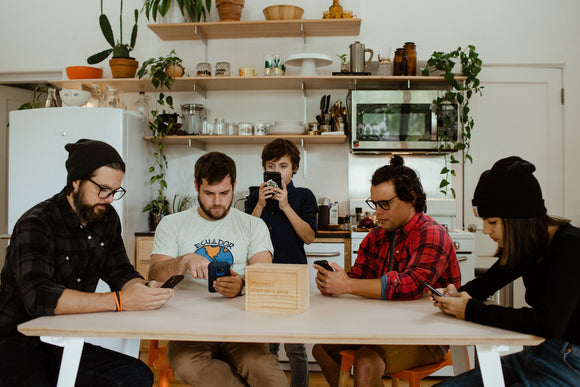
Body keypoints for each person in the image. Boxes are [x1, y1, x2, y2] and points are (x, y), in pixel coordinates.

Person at [0, 139, 174, 387]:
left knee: (136, 377)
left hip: (63, 339)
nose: (110, 199)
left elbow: (120, 270)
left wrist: (141, 288)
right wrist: (121, 301)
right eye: (103, 189)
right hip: (15, 341)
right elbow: (39, 298)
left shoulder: (106, 217)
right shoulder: (36, 223)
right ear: (76, 181)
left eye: (115, 191)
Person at [312, 155, 462, 387]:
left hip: (429, 334)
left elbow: (411, 286)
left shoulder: (432, 233)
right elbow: (358, 279)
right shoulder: (375, 237)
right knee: (321, 349)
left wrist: (348, 285)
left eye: (385, 204)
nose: (378, 212)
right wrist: (335, 281)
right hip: (382, 326)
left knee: (365, 362)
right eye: (375, 204)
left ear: (411, 198)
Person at [432, 156, 580, 386]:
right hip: (540, 353)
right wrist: (455, 294)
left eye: (492, 221)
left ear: (518, 220)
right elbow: (485, 284)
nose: (485, 230)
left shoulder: (571, 248)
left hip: (571, 363)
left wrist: (470, 310)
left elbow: (548, 323)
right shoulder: (529, 246)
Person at [148, 151, 288, 387]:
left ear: (234, 185)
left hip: (242, 326)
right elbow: (154, 276)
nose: (217, 202)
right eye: (209, 194)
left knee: (270, 377)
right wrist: (183, 261)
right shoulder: (172, 224)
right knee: (187, 367)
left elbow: (266, 279)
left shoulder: (253, 225)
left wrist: (242, 285)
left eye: (224, 193)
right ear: (196, 186)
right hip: (188, 327)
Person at [245, 139, 318, 387]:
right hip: (261, 276)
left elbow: (309, 236)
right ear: (264, 168)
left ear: (294, 168)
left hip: (292, 276)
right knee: (267, 347)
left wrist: (285, 206)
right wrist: (260, 205)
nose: (277, 171)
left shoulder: (304, 196)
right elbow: (245, 235)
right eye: (271, 165)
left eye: (283, 165)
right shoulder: (255, 196)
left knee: (296, 347)